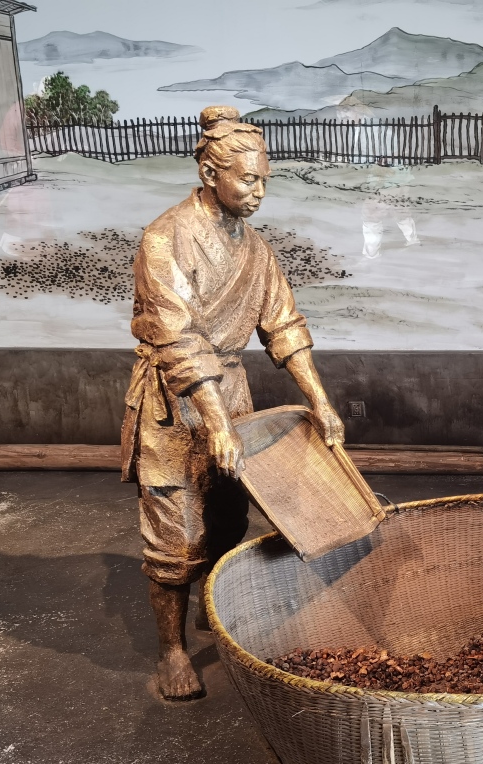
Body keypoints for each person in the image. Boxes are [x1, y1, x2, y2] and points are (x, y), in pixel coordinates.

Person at [121, 106, 345, 701]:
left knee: (228, 517)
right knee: (175, 534)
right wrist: (215, 422)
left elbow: (284, 326)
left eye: (265, 180)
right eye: (248, 180)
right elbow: (179, 339)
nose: (259, 192)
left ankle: (212, 605)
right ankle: (172, 651)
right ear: (209, 172)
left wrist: (320, 400)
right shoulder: (164, 239)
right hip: (174, 402)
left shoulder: (257, 249)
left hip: (231, 392)